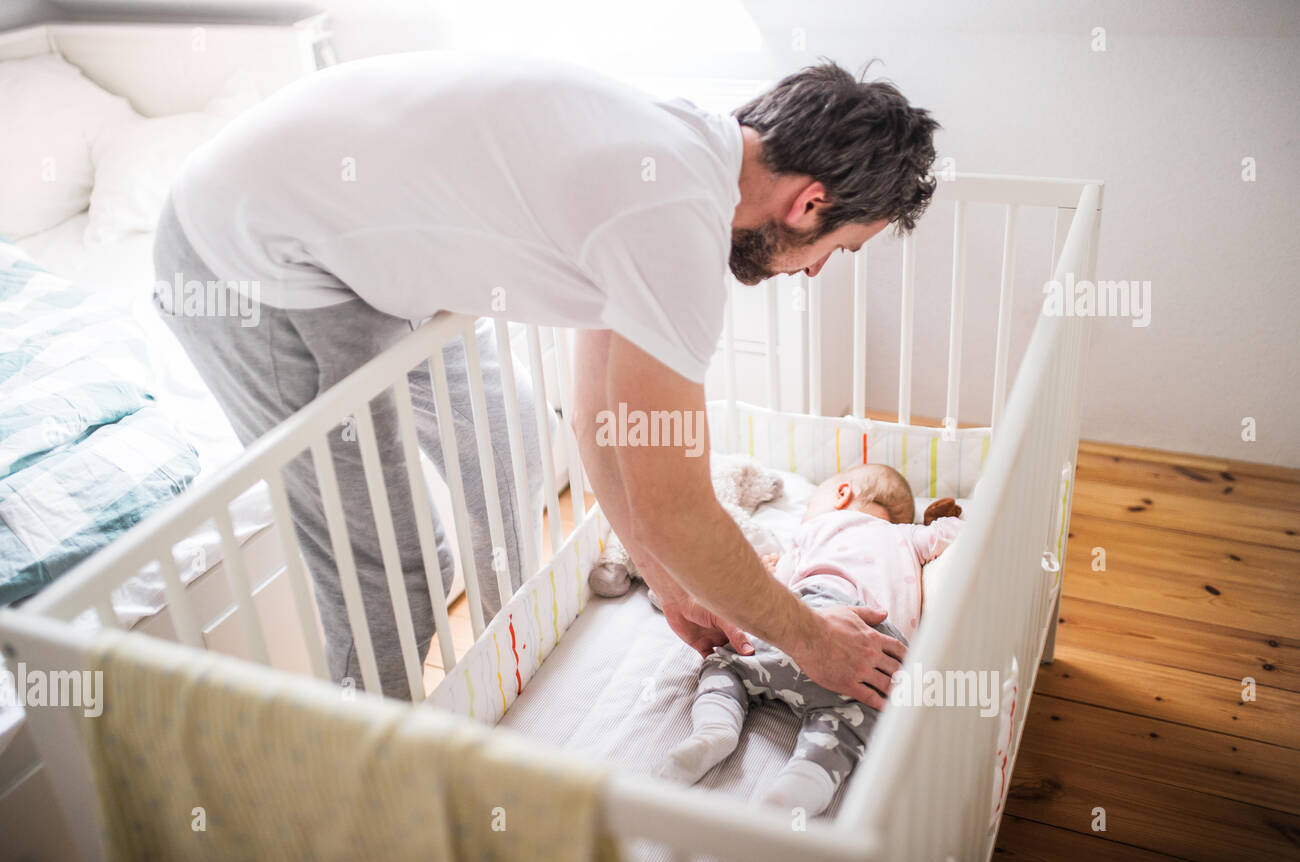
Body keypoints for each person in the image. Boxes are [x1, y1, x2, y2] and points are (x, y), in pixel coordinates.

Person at [153, 50, 940, 700]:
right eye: (838, 249)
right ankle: (373, 786)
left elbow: (603, 418)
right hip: (250, 252)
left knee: (515, 445)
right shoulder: (672, 221)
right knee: (395, 571)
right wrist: (813, 643)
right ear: (808, 204)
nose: (813, 272)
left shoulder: (684, 153)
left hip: (357, 248)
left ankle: (502, 679)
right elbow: (677, 508)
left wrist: (671, 584)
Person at [655, 465, 963, 816]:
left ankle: (716, 728)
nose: (805, 513)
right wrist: (937, 519)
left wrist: (770, 573)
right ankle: (799, 788)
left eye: (810, 503)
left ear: (841, 494)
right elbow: (958, 533)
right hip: (872, 648)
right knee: (855, 723)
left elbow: (775, 602)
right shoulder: (908, 537)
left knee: (728, 661)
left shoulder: (814, 529)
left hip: (805, 616)